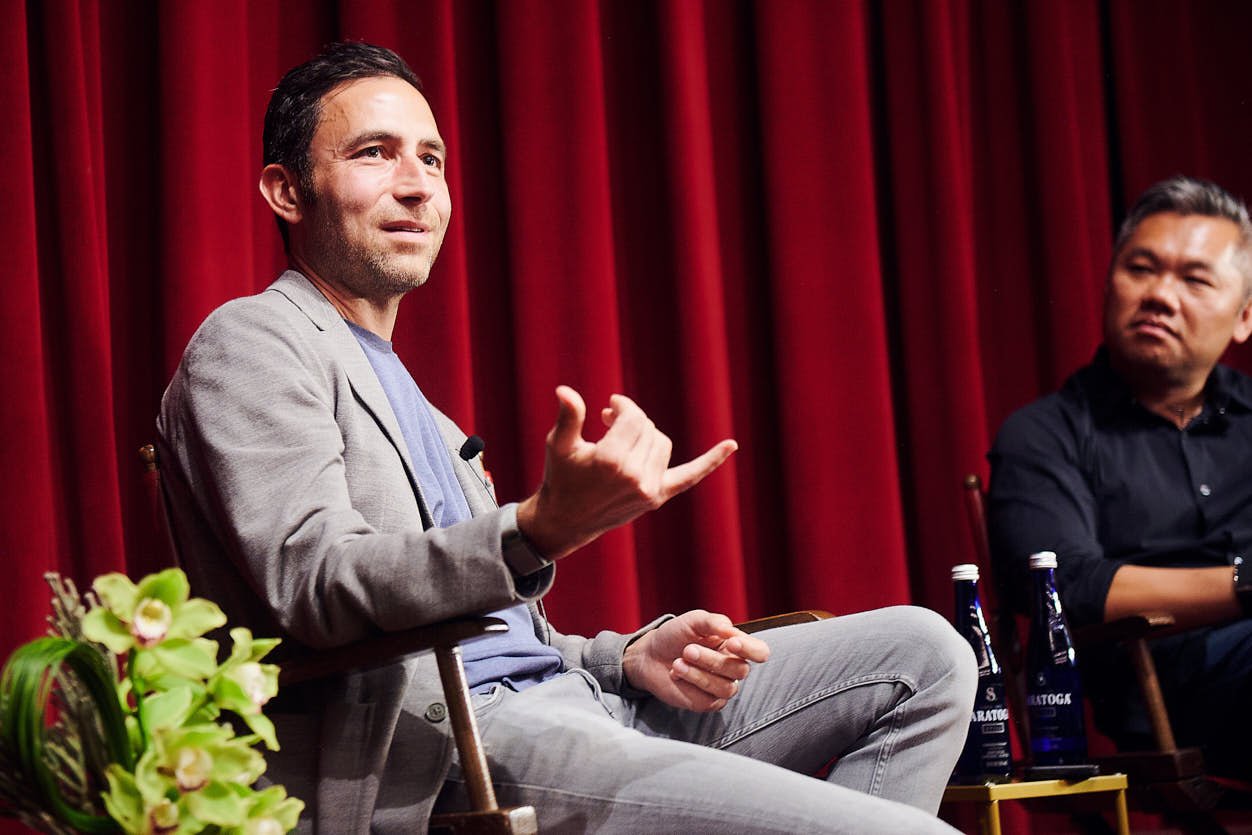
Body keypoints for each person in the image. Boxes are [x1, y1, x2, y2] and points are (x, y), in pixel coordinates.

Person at [157, 41, 975, 833]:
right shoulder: (254, 340)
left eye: (433, 160)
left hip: (582, 703)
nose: (417, 186)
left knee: (927, 654)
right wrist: (534, 527)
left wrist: (629, 656)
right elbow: (317, 582)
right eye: (376, 153)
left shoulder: (418, 406)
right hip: (460, 746)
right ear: (286, 191)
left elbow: (510, 639)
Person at [988, 175, 1252, 776]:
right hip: (1155, 685)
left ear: (1243, 318)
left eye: (1194, 278)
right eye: (1142, 268)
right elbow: (1067, 587)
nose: (1161, 295)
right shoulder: (1045, 433)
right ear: (1110, 284)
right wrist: (1244, 586)